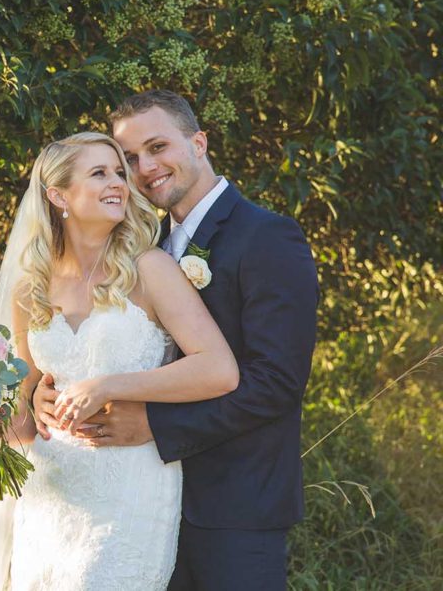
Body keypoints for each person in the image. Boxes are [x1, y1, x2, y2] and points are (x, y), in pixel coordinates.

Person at [34, 90, 319, 589]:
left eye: (158, 147)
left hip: (235, 505)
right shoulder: (144, 249)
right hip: (138, 503)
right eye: (131, 160)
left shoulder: (267, 236)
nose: (145, 168)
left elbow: (277, 383)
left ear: (199, 143)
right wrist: (43, 392)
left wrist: (157, 425)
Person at [0, 131, 239, 590]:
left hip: (129, 485)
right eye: (100, 172)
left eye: (120, 173)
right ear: (59, 195)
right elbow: (25, 415)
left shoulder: (149, 269)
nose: (120, 183)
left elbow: (218, 369)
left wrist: (108, 386)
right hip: (51, 493)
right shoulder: (32, 288)